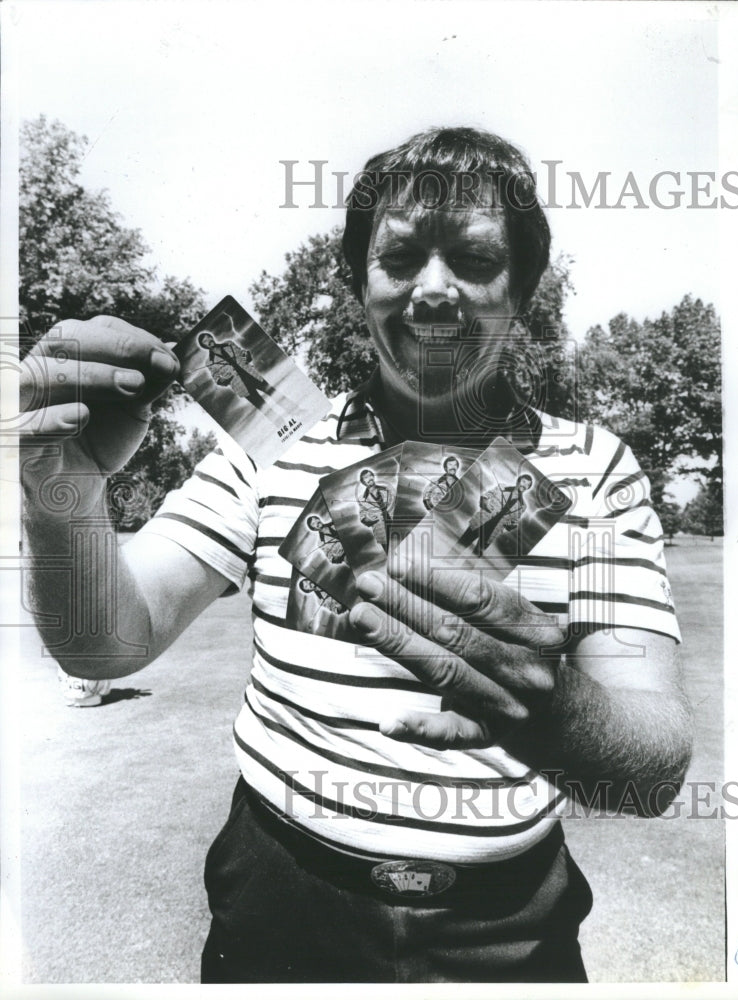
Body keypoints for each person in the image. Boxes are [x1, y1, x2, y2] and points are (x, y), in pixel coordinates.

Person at [19, 126, 692, 984]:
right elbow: (105, 644)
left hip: (508, 926)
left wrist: (559, 714)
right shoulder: (273, 437)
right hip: (279, 896)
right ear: (357, 283)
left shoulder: (595, 468)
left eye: (477, 261)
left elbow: (655, 767)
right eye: (402, 256)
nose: (435, 289)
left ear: (521, 290)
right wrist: (61, 491)